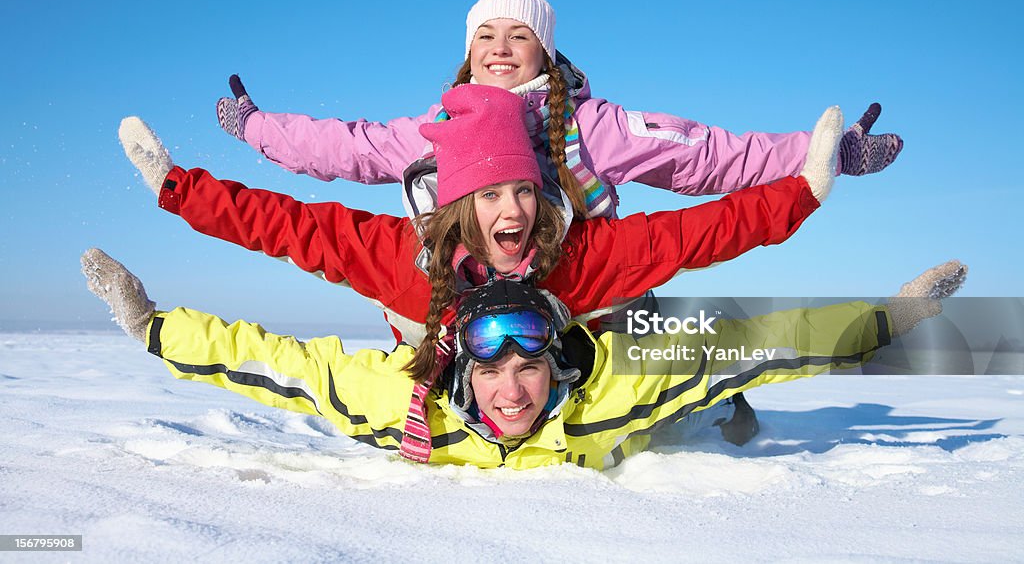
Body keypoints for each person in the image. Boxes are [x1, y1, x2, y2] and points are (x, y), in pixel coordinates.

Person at [119, 84, 841, 358]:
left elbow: (696, 234)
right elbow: (292, 227)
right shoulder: (408, 261)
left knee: (669, 349)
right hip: (448, 405)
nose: (514, 210)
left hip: (563, 412)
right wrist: (180, 188)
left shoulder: (578, 257)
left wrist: (802, 189)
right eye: (492, 196)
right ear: (461, 204)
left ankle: (727, 404)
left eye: (524, 192)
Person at [81, 252, 967, 469]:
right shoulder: (403, 402)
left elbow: (764, 343)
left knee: (699, 384)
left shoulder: (610, 386)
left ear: (555, 367)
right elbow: (276, 362)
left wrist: (889, 317)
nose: (512, 390)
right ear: (463, 370)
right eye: (494, 369)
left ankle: (715, 416)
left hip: (648, 395)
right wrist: (156, 327)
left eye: (529, 369)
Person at [214, 0, 904, 222]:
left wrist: (828, 155)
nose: (501, 46)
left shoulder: (591, 125)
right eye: (486, 35)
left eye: (520, 35)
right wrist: (258, 128)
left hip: (582, 288)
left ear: (545, 52)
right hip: (467, 296)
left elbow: (706, 154)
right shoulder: (440, 127)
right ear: (468, 51)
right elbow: (348, 145)